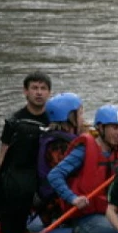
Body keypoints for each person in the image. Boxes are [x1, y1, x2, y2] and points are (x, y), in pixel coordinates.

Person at [48, 104, 118, 233]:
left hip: (110, 212)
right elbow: (54, 175)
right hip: (86, 218)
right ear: (101, 127)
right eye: (115, 128)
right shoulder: (83, 151)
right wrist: (72, 198)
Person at [0, 71, 52, 233]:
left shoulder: (55, 120)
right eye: (34, 88)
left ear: (49, 93)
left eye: (43, 88)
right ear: (26, 91)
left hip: (45, 176)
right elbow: (2, 157)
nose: (39, 92)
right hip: (22, 177)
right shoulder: (14, 121)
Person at [34, 92, 84, 225]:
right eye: (80, 114)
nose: (83, 119)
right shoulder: (59, 146)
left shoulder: (58, 138)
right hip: (57, 206)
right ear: (70, 118)